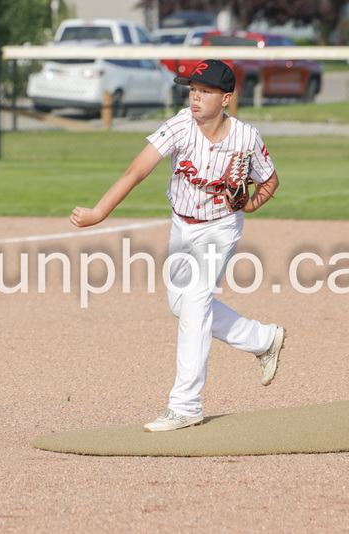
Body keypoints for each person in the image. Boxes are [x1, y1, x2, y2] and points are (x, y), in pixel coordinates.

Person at [70, 59, 286, 432]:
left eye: (204, 91)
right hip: (182, 227)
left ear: (226, 99)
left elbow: (269, 181)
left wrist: (248, 204)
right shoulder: (179, 126)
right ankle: (264, 339)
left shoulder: (246, 137)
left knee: (196, 305)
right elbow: (135, 171)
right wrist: (99, 212)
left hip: (220, 228)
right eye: (192, 89)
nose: (195, 96)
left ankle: (185, 405)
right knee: (180, 303)